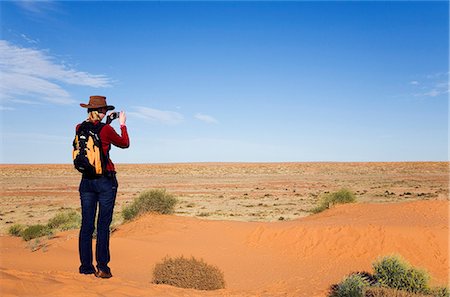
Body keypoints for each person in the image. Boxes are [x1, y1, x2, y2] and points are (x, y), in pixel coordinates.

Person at [76, 95, 130, 278]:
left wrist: (107, 122)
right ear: (100, 111)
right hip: (105, 181)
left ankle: (85, 267)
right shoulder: (106, 129)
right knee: (103, 226)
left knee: (86, 225)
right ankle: (103, 268)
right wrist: (122, 124)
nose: (106, 112)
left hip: (86, 181)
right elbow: (124, 143)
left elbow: (96, 136)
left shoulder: (79, 127)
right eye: (105, 110)